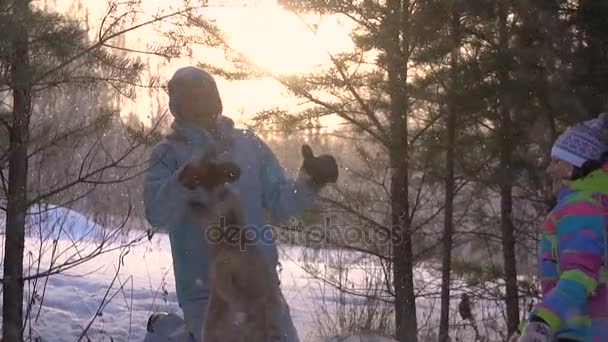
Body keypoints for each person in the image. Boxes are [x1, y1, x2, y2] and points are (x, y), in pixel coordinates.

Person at [141, 66, 338, 341]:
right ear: (178, 106)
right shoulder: (168, 154)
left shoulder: (249, 145)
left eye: (207, 95)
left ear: (218, 99)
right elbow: (157, 214)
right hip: (205, 292)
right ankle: (169, 332)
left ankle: (172, 332)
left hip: (261, 284)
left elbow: (280, 203)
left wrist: (309, 181)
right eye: (192, 98)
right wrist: (184, 179)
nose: (202, 104)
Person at [512, 113, 608, 342]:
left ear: (576, 167)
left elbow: (581, 274)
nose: (549, 170)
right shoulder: (589, 203)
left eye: (557, 161)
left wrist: (542, 322)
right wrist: (527, 326)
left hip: (583, 333)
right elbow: (563, 286)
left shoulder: (582, 206)